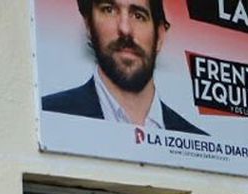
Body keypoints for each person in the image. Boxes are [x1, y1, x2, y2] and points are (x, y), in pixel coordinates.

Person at [41, 0, 205, 134]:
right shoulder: (50, 114)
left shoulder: (196, 139)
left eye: (138, 15)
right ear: (89, 26)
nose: (125, 29)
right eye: (109, 10)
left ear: (160, 35)